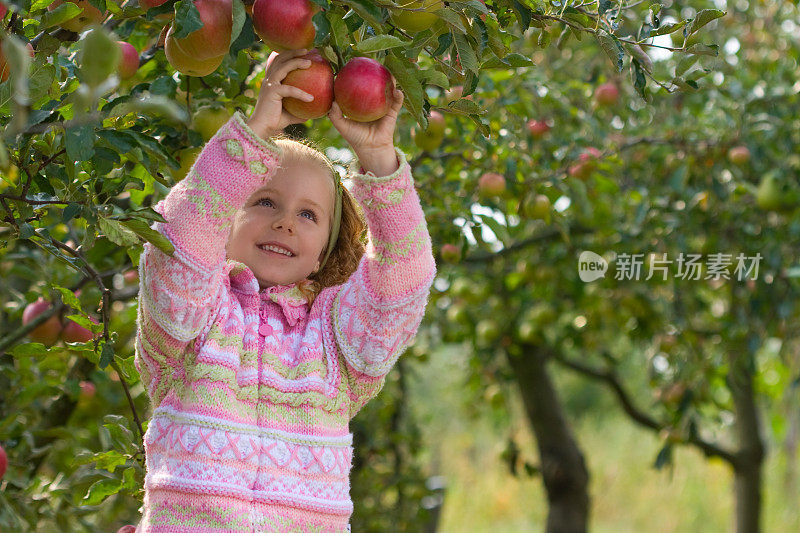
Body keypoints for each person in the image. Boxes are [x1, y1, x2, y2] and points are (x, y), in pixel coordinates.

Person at [133, 48, 437, 532]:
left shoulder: (336, 341)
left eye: (308, 214)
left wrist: (378, 160)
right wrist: (255, 135)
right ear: (226, 217)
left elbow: (403, 282)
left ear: (324, 250)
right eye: (265, 200)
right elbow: (180, 243)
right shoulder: (192, 317)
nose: (284, 222)